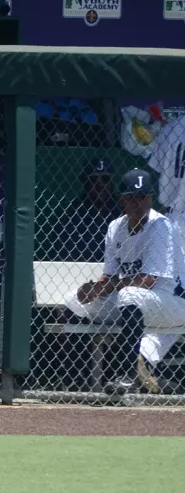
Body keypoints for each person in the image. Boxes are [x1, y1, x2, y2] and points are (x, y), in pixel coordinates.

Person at [65, 168, 185, 395]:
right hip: (138, 306)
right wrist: (94, 290)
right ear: (122, 200)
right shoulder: (115, 227)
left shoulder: (161, 226)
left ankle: (126, 373)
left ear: (150, 198)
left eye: (144, 197)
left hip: (173, 303)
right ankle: (76, 376)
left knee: (129, 293)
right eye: (132, 198)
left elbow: (148, 280)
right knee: (74, 300)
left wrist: (104, 287)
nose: (138, 203)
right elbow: (110, 275)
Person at [36, 158, 117, 262]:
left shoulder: (122, 213)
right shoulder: (71, 217)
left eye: (105, 179)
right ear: (84, 182)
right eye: (93, 179)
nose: (100, 185)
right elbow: (64, 258)